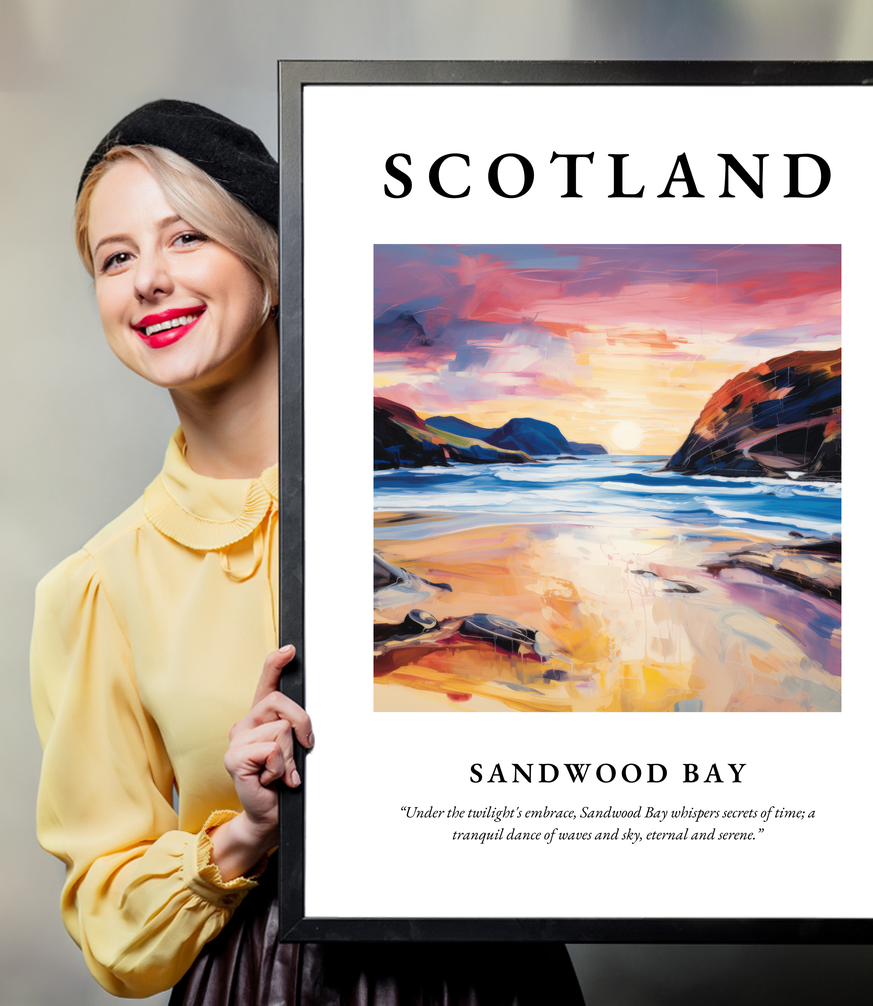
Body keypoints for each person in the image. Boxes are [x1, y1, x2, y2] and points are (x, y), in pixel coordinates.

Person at [30, 100, 586, 1004]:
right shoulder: (97, 587)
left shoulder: (448, 517)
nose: (149, 281)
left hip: (493, 972)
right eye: (115, 258)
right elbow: (111, 926)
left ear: (272, 261)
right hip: (264, 981)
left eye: (186, 237)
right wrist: (245, 833)